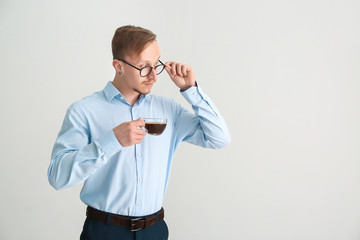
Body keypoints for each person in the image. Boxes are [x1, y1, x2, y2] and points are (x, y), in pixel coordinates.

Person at [48, 25, 231, 240]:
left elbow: (219, 138)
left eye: (156, 65)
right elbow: (57, 177)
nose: (153, 75)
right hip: (105, 232)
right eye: (144, 67)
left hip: (155, 231)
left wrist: (191, 90)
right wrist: (110, 141)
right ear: (119, 66)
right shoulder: (84, 111)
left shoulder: (169, 110)